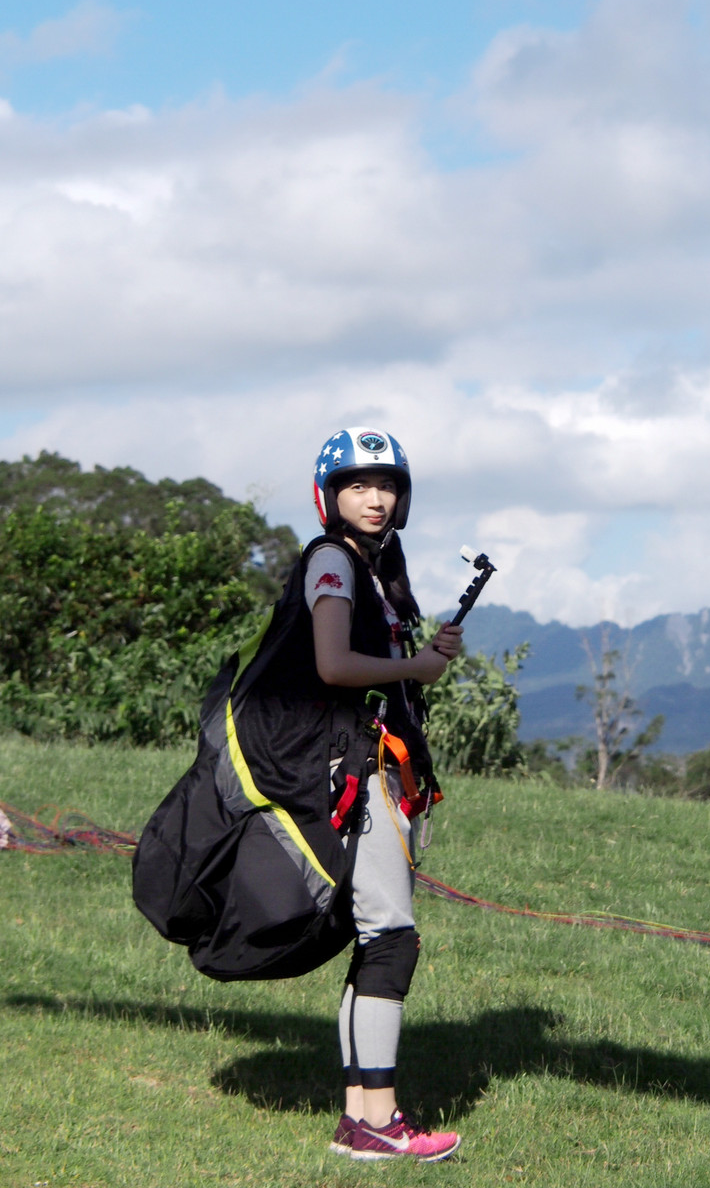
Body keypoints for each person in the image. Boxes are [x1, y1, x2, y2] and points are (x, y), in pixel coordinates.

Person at [307, 426, 463, 1163]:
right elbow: (334, 665)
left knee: (378, 940)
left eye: (387, 485)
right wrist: (418, 672)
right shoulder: (334, 562)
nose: (375, 498)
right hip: (352, 775)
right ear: (330, 495)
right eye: (358, 485)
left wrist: (423, 657)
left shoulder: (376, 567)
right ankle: (378, 1123)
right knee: (391, 939)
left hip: (374, 771)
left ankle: (361, 1120)